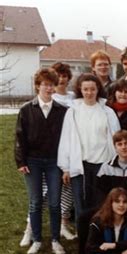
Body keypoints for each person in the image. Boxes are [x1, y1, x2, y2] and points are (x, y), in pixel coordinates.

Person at [58, 73, 120, 254]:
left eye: (93, 89)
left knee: (103, 212)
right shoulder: (73, 111)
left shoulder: (108, 111)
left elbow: (116, 139)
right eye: (85, 89)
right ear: (80, 90)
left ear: (98, 90)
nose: (89, 92)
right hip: (81, 168)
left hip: (103, 168)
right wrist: (66, 167)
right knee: (83, 213)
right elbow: (66, 140)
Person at [15, 68, 68, 254]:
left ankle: (55, 240)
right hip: (33, 161)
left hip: (54, 162)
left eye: (51, 84)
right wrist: (21, 161)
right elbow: (20, 137)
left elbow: (67, 138)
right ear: (38, 86)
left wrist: (65, 164)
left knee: (54, 203)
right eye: (44, 84)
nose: (48, 88)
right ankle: (37, 240)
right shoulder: (26, 109)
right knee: (35, 202)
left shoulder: (63, 111)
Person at [51, 62, 77, 240]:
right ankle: (30, 226)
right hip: (51, 149)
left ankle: (64, 225)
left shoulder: (74, 98)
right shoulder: (49, 97)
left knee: (68, 189)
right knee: (47, 191)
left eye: (64, 76)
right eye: (58, 76)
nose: (61, 79)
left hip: (70, 146)